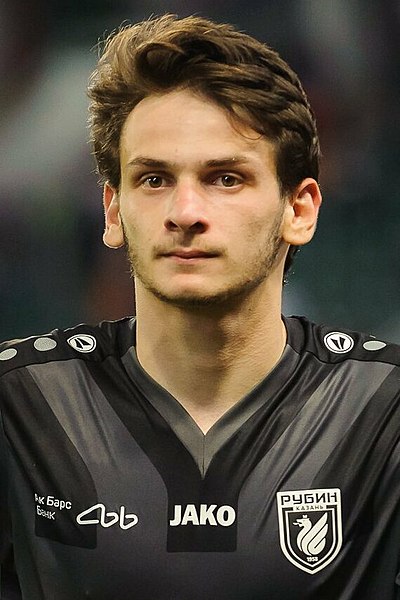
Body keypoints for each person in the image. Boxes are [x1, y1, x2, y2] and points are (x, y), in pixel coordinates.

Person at [0, 13, 399, 600]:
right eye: (154, 179)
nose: (185, 212)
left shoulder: (384, 411)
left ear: (300, 210)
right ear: (113, 211)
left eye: (226, 179)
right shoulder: (19, 404)